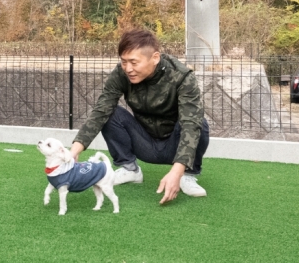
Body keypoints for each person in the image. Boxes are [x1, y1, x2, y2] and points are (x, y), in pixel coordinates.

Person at [70, 28, 210, 205]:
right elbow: (100, 110)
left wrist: (177, 171)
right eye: (124, 62)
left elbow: (190, 124)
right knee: (109, 112)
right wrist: (74, 151)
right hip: (145, 142)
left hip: (176, 144)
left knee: (199, 123)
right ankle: (130, 170)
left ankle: (187, 175)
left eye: (134, 62)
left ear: (155, 58)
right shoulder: (121, 74)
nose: (128, 69)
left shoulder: (182, 77)